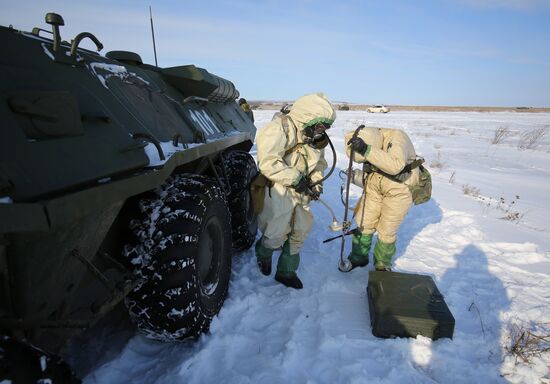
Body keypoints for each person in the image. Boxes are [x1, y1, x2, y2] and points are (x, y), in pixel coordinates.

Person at [255, 93, 336, 289]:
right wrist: (295, 178)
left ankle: (286, 272)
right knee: (275, 233)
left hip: (303, 189)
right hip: (280, 188)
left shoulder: (315, 137)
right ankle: (263, 253)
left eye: (326, 126)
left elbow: (320, 164)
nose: (322, 130)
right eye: (320, 126)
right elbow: (268, 162)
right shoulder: (278, 130)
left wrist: (316, 183)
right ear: (307, 117)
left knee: (300, 230)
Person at [344, 127, 420, 271]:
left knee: (387, 229)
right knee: (364, 222)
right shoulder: (371, 138)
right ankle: (359, 257)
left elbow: (395, 166)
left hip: (399, 190)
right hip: (374, 186)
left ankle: (382, 264)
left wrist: (366, 149)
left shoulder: (398, 138)